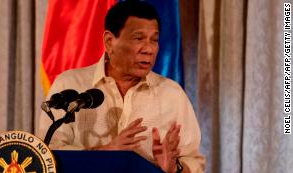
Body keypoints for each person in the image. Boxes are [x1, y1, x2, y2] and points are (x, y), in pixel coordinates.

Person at [38, 1, 205, 173]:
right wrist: (104, 153)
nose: (148, 49)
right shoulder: (70, 84)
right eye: (138, 38)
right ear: (110, 41)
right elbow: (48, 153)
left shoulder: (171, 94)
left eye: (154, 40)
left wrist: (174, 168)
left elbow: (194, 161)